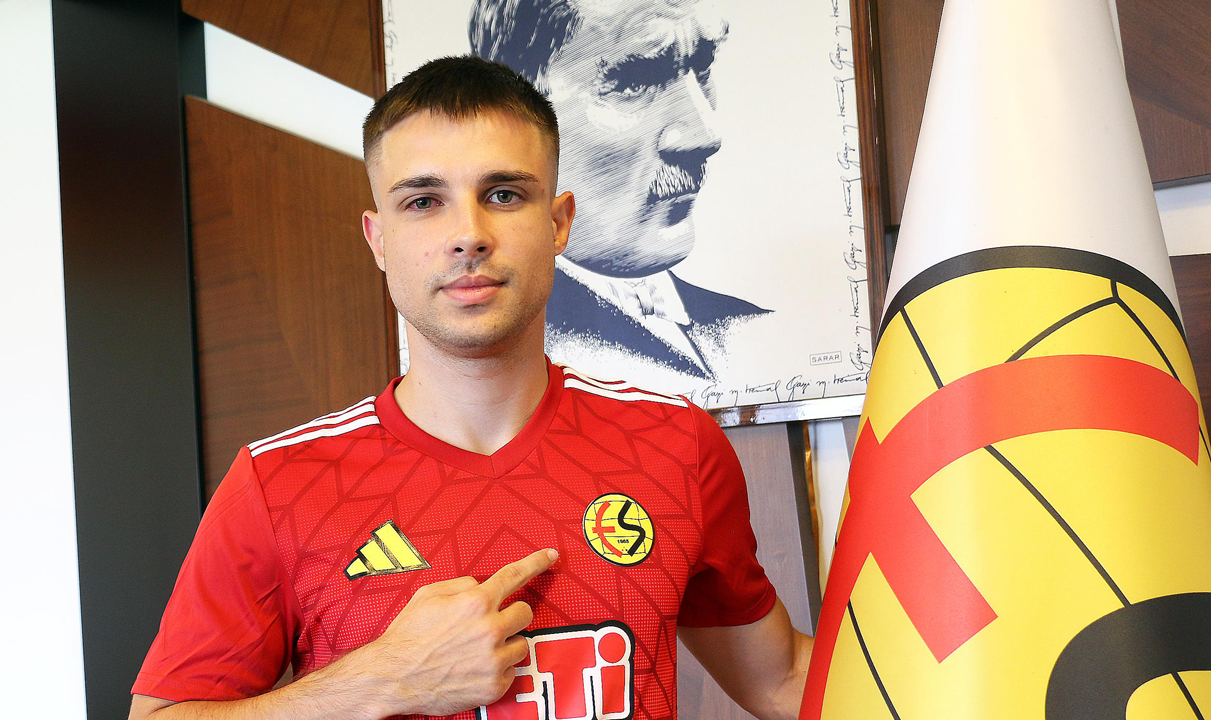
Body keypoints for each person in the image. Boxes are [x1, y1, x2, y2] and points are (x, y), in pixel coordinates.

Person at [128, 56, 812, 720]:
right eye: (424, 201)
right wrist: (379, 681)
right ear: (378, 239)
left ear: (558, 223)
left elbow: (782, 681)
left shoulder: (675, 445)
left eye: (504, 194)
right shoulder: (277, 484)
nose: (468, 235)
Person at [470, 0, 770, 381]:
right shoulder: (501, 362)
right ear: (510, 119)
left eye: (704, 66)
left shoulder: (746, 327)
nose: (705, 135)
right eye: (634, 82)